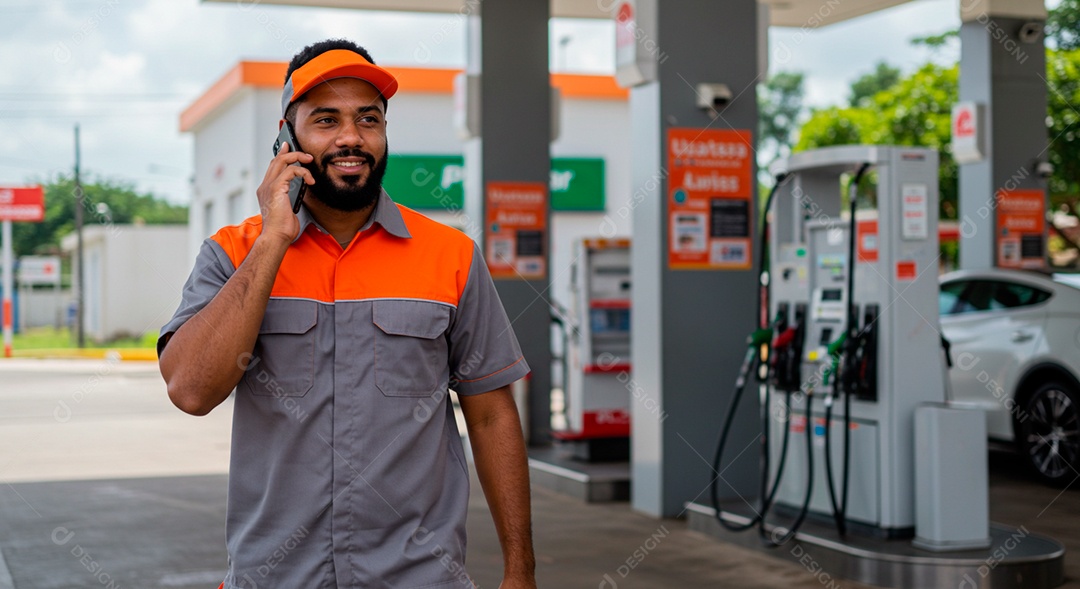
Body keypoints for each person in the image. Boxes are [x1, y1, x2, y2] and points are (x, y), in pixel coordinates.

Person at [158, 39, 536, 589]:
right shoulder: (233, 254)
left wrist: (520, 569)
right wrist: (273, 243)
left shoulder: (450, 256)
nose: (351, 137)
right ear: (287, 139)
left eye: (369, 119)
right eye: (326, 119)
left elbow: (491, 415)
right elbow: (191, 390)